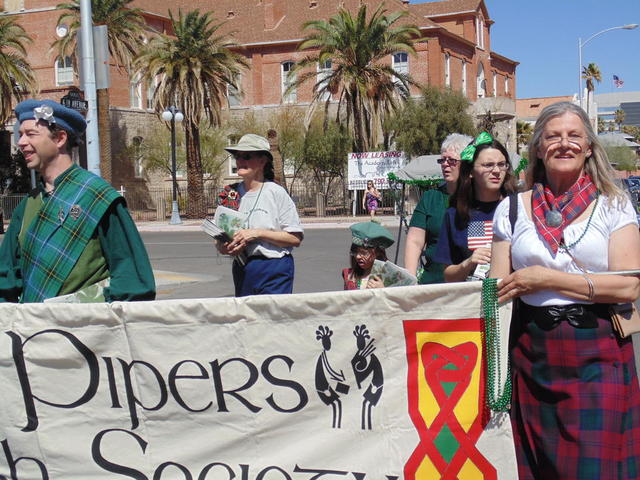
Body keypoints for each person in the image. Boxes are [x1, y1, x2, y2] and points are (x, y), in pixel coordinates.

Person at [490, 101, 640, 479]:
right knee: (538, 469)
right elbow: (494, 290)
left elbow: (628, 285)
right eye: (553, 136)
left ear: (589, 146)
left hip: (597, 353)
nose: (564, 143)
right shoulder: (510, 210)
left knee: (594, 470)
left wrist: (547, 279)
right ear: (538, 147)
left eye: (574, 136)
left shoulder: (614, 205)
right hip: (531, 353)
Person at [0, 99, 155, 303]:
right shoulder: (28, 205)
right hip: (36, 330)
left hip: (88, 330)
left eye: (31, 134)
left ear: (60, 139)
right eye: (20, 134)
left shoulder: (99, 197)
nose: (20, 142)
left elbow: (132, 281)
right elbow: (6, 279)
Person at [218, 133, 303, 296]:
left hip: (274, 268)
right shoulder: (230, 194)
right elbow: (219, 239)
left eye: (247, 156)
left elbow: (295, 238)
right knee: (248, 319)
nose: (240, 161)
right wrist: (226, 247)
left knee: (272, 318)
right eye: (238, 156)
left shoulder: (276, 192)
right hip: (243, 267)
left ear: (263, 161)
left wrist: (257, 234)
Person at [433, 132, 516, 282]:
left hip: (514, 301)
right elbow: (448, 276)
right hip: (473, 301)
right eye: (488, 165)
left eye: (501, 164)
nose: (496, 171)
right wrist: (468, 263)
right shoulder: (455, 214)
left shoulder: (518, 208)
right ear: (470, 171)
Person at [403, 133, 473, 283]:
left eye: (452, 160)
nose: (445, 164)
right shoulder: (430, 198)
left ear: (467, 163)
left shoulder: (479, 198)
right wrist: (410, 280)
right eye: (443, 160)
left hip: (469, 286)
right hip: (433, 284)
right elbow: (415, 241)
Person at [342, 221, 394, 290]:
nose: (358, 256)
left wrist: (384, 290)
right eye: (355, 252)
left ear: (378, 252)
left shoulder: (390, 276)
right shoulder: (349, 276)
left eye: (363, 253)